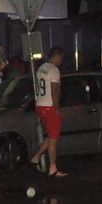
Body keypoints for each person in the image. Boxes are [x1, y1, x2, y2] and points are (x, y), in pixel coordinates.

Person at [29, 46, 67, 177]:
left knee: (51, 136)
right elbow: (54, 90)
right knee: (54, 139)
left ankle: (36, 157)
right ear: (56, 56)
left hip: (40, 105)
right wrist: (57, 108)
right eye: (61, 58)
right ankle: (53, 168)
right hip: (49, 106)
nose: (61, 61)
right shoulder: (53, 70)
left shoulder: (41, 68)